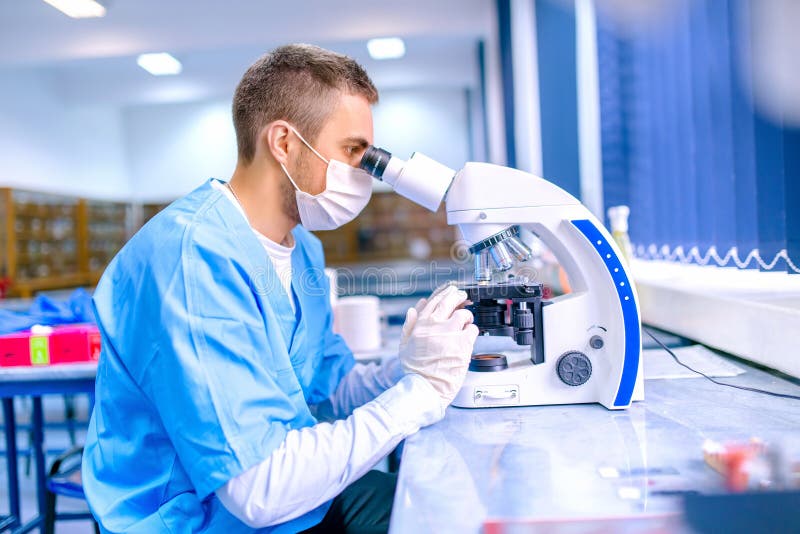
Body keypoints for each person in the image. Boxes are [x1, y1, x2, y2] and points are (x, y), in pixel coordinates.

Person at [82, 43, 479, 533]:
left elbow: (327, 392)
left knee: (437, 505)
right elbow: (258, 489)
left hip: (293, 503)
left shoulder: (303, 250)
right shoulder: (192, 258)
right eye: (353, 151)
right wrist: (419, 394)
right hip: (201, 519)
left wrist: (416, 365)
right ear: (284, 143)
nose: (363, 172)